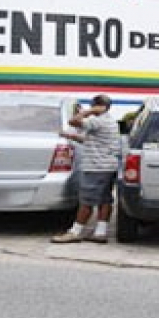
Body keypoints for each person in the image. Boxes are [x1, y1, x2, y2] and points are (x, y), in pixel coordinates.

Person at [52, 94, 122, 244]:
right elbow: (92, 140)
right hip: (108, 167)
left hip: (95, 167)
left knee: (86, 201)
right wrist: (71, 136)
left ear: (97, 106)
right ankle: (100, 232)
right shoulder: (111, 121)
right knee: (105, 200)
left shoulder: (97, 120)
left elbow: (73, 121)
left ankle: (75, 232)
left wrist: (87, 112)